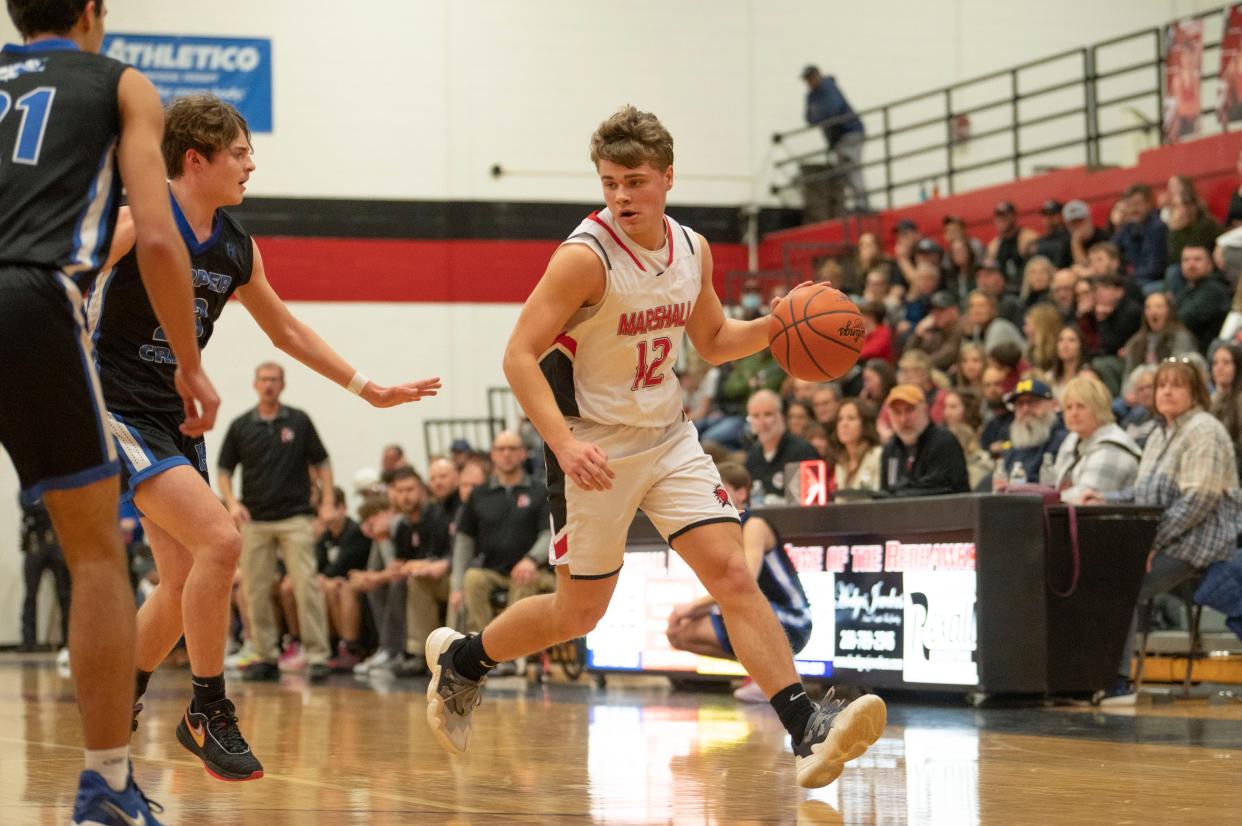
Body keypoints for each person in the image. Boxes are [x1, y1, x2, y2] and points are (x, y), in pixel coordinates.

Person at [424, 106, 886, 789]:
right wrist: (561, 442)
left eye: (635, 180)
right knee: (579, 612)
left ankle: (806, 728)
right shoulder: (584, 258)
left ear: (668, 177)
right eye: (609, 181)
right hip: (592, 443)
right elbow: (519, 355)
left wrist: (781, 322)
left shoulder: (692, 250)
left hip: (668, 437)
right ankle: (464, 660)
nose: (620, 195)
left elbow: (714, 341)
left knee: (731, 572)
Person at [99, 92, 440, 778]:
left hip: (178, 418)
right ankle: (207, 709)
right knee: (222, 540)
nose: (252, 164)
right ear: (195, 160)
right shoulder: (138, 221)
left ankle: (117, 697)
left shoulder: (233, 246)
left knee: (182, 579)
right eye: (240, 153)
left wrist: (364, 386)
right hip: (118, 407)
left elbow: (286, 331)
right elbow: (59, 285)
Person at [2, 3, 219, 820]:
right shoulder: (120, 83)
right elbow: (158, 239)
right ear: (92, 12)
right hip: (34, 297)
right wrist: (189, 363)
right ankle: (106, 785)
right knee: (95, 555)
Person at [1085, 359, 1242, 702]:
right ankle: (1092, 675)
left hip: (1202, 540)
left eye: (1177, 385)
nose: (1167, 391)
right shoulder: (1159, 433)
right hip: (1169, 536)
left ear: (1195, 392)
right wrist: (1103, 498)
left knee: (1122, 585)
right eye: (1161, 385)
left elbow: (1198, 501)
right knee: (1101, 572)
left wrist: (1150, 541)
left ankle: (1118, 681)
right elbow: (1144, 494)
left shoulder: (1205, 430)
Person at [666, 462, 813, 704]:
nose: (713, 496)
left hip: (792, 619)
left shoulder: (754, 525)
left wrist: (690, 607)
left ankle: (782, 677)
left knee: (727, 610)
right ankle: (766, 675)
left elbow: (746, 583)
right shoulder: (726, 528)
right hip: (760, 612)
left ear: (742, 493)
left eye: (718, 489)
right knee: (678, 634)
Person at [450, 431, 554, 671]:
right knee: (472, 578)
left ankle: (511, 655)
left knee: (524, 578)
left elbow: (548, 533)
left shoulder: (540, 491)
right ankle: (481, 654)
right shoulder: (479, 494)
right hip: (493, 570)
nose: (507, 454)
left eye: (512, 448)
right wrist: (456, 587)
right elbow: (464, 542)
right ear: (493, 455)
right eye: (501, 449)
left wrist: (531, 559)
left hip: (534, 571)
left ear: (523, 453)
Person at [1050, 376, 1140, 503]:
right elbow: (1055, 485)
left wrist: (1045, 499)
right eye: (1069, 407)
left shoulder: (1112, 447)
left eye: (1081, 406)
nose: (1073, 413)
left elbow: (1083, 498)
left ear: (1099, 408)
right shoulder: (1073, 438)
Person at [314, 487, 374, 672]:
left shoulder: (354, 531)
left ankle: (350, 647)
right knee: (322, 588)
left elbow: (342, 566)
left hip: (360, 583)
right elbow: (319, 567)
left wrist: (326, 578)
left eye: (331, 507)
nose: (325, 513)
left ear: (343, 508)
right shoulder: (326, 536)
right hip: (340, 582)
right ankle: (334, 646)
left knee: (336, 588)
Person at [878, 385, 970, 496]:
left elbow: (939, 489)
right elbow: (885, 494)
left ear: (925, 409)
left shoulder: (943, 441)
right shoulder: (890, 449)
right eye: (897, 412)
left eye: (909, 410)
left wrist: (899, 492)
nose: (903, 419)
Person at [801, 65, 867, 211]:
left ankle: (861, 204)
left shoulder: (828, 87)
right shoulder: (812, 95)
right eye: (807, 79)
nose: (810, 82)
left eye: (811, 78)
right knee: (844, 170)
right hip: (838, 138)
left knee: (850, 166)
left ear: (818, 75)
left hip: (850, 133)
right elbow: (809, 118)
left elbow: (832, 109)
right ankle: (857, 203)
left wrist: (819, 115)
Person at [745, 389, 821, 503]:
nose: (762, 422)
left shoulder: (803, 451)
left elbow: (816, 499)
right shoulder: (752, 457)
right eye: (755, 416)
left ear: (781, 417)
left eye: (768, 414)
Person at [19, 498, 71, 653]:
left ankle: (69, 642)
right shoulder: (29, 485)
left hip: (56, 543)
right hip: (35, 544)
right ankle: (28, 642)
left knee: (65, 595)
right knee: (30, 595)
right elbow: (26, 503)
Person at [995, 378, 1067, 485]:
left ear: (1053, 405)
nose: (1025, 409)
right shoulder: (1013, 447)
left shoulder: (1063, 441)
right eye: (1020, 404)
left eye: (1033, 402)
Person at [1122, 291, 1197, 375]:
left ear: (1169, 311)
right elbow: (1128, 377)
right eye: (1148, 308)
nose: (1153, 312)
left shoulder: (1181, 337)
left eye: (1159, 307)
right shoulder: (1136, 341)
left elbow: (1180, 371)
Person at [1113, 183, 1168, 294]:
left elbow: (1155, 269)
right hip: (1135, 278)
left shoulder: (1157, 227)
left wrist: (1125, 278)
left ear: (1149, 204)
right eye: (1129, 205)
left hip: (1154, 280)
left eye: (1137, 204)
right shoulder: (1128, 227)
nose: (1133, 209)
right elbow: (1110, 249)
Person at [1174, 244, 1230, 353]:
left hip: (1209, 353)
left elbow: (1185, 318)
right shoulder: (1187, 289)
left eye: (1197, 259)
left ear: (1210, 264)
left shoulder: (1213, 289)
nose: (1191, 264)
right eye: (1186, 260)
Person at [828, 399, 883, 491]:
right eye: (840, 419)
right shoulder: (840, 463)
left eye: (851, 418)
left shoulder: (877, 456)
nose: (844, 424)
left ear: (865, 424)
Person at [1034, 200, 1072, 268]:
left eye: (1052, 214)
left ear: (1062, 215)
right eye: (1045, 215)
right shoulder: (1042, 239)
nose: (1048, 218)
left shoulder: (1070, 235)